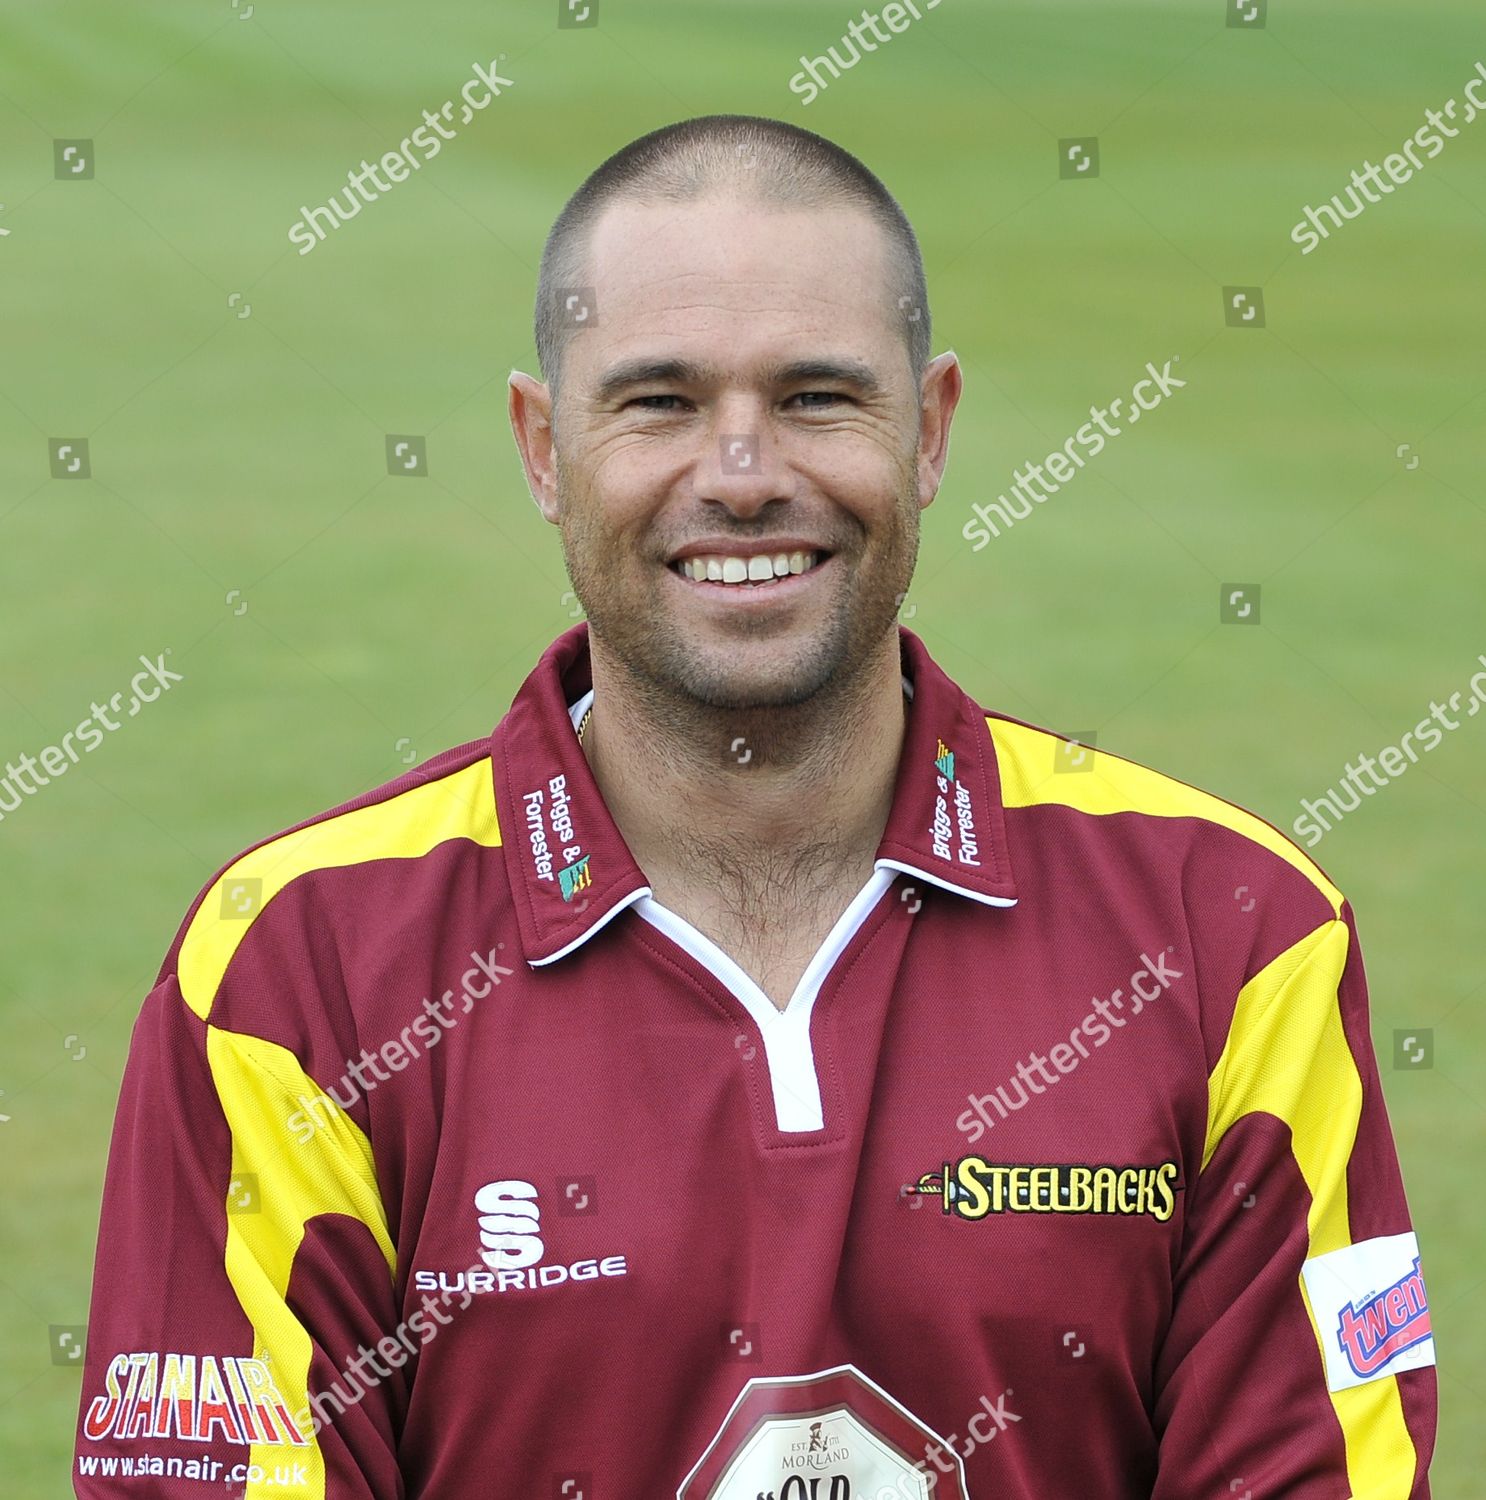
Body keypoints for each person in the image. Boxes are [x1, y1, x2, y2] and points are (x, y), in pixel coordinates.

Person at [74, 114, 1435, 1499]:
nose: (740, 476)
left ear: (931, 429)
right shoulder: (294, 971)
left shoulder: (1233, 929)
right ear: (544, 448)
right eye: (658, 401)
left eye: (817, 398)